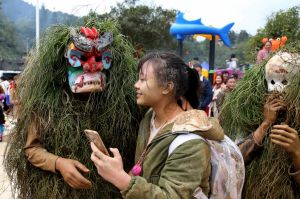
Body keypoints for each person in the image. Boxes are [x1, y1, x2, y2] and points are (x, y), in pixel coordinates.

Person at [4, 19, 142, 199]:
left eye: (101, 59)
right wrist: (58, 163)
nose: (92, 66)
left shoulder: (123, 106)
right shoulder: (47, 105)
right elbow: (32, 148)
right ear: (63, 66)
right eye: (81, 58)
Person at [90, 52, 224, 198]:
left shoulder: (191, 143)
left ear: (167, 87)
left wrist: (120, 179)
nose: (136, 85)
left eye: (143, 79)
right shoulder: (149, 118)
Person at [220, 48, 300, 198]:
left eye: (284, 81)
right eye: (271, 81)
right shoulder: (249, 116)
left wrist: (297, 152)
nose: (276, 89)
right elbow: (234, 162)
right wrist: (265, 123)